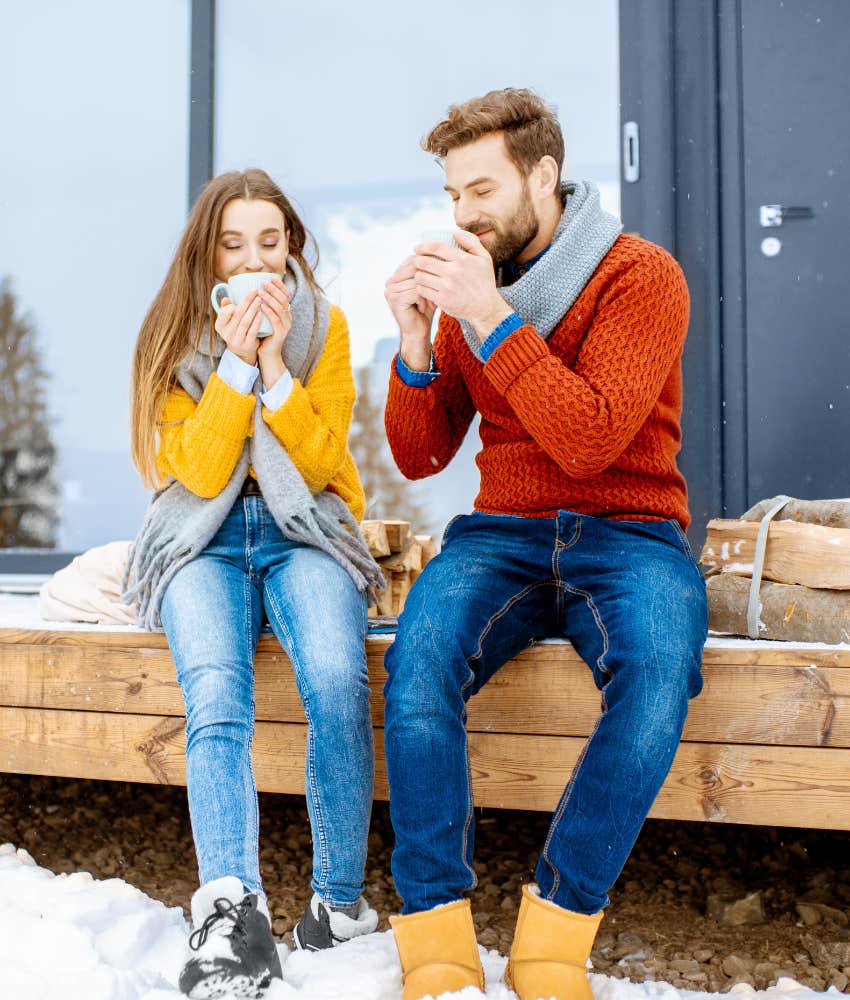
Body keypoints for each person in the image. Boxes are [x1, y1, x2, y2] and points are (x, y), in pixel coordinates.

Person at [382, 88, 708, 1000]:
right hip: (505, 536)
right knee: (418, 662)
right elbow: (420, 451)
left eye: (481, 189)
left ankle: (556, 940)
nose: (463, 214)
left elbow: (592, 437)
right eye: (453, 195)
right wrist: (415, 344)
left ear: (545, 176)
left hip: (633, 531)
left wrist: (488, 319)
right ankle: (437, 936)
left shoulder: (640, 276)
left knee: (659, 670)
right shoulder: (472, 283)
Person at [124, 168, 385, 998]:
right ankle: (231, 912)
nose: (254, 260)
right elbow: (197, 474)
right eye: (233, 245)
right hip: (198, 537)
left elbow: (313, 464)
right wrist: (236, 365)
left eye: (269, 243)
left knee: (340, 680)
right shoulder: (170, 337)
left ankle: (338, 904)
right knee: (215, 693)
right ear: (209, 259)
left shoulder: (325, 329)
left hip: (302, 526)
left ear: (291, 248)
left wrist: (276, 367)